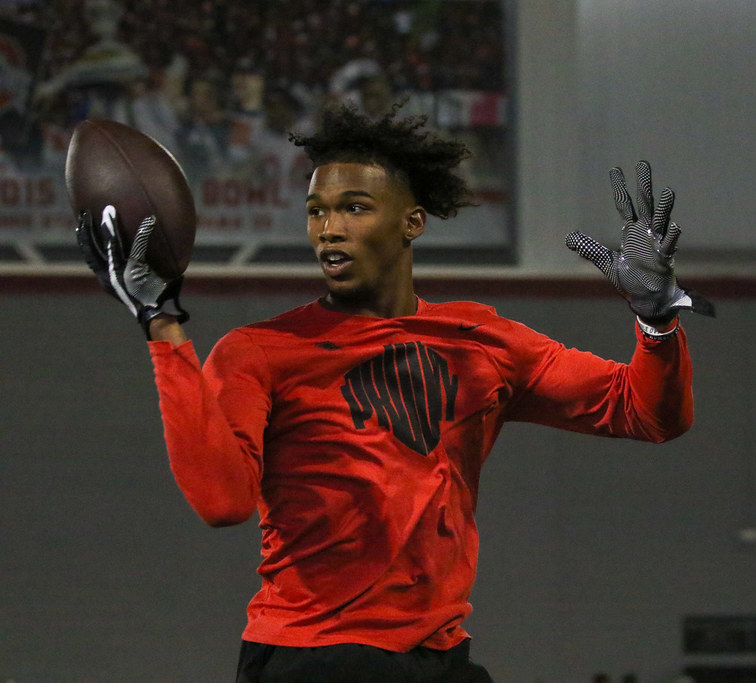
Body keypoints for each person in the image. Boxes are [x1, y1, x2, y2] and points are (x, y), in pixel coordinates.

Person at [74, 102, 712, 682]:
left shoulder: (482, 339)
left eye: (354, 207)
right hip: (313, 656)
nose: (328, 228)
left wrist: (656, 320)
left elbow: (647, 413)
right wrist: (162, 325)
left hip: (438, 654)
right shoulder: (258, 351)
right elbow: (220, 501)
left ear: (412, 223)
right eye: (317, 210)